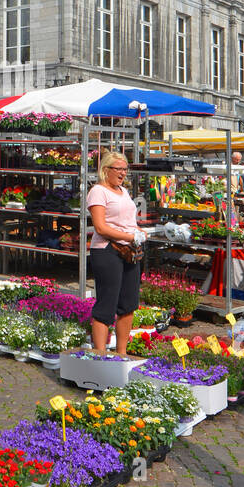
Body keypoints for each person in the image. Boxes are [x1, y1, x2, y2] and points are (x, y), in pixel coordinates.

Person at [86, 151, 147, 357]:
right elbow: (101, 227)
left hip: (129, 250)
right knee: (106, 304)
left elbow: (129, 220)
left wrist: (138, 231)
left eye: (124, 169)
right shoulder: (98, 191)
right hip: (107, 250)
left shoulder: (123, 191)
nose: (123, 173)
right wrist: (131, 236)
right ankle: (100, 356)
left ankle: (122, 354)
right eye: (118, 169)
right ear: (106, 170)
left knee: (128, 304)